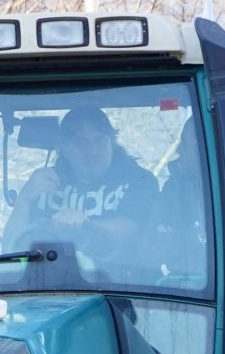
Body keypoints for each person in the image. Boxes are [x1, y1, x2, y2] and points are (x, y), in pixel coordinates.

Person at [17, 107, 160, 261]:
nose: (93, 151)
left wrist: (86, 225)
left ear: (112, 143)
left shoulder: (139, 180)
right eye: (81, 143)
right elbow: (13, 246)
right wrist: (24, 198)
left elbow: (131, 229)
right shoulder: (45, 182)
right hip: (48, 281)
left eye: (100, 141)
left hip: (126, 281)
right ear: (64, 148)